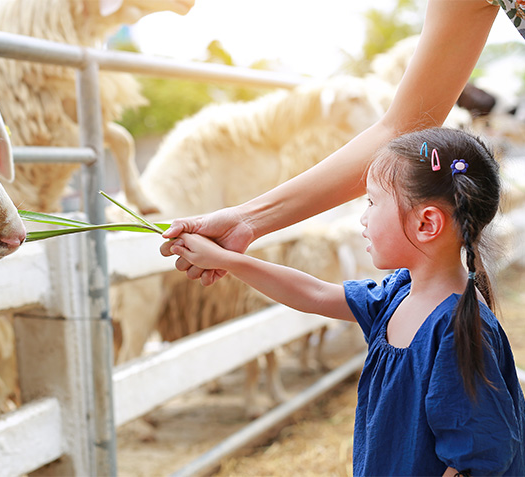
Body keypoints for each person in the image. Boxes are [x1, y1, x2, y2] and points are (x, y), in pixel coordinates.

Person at [169, 127, 525, 476]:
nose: (363, 217)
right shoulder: (400, 292)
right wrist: (227, 260)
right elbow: (315, 294)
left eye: (372, 202)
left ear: (426, 223)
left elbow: (476, 460)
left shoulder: (458, 330)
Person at [160, 0, 523, 286]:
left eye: (372, 203)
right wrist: (248, 221)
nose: (364, 216)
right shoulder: (396, 299)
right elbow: (401, 131)